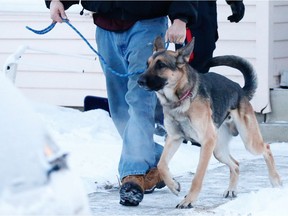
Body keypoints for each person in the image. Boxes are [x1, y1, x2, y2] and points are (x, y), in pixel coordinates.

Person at [45, 0, 198, 207]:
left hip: (146, 24)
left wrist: (180, 17)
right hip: (105, 25)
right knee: (118, 107)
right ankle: (155, 162)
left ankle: (132, 176)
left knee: (139, 100)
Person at [155, 0, 245, 138]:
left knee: (204, 55)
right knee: (190, 63)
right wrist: (181, 16)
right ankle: (172, 123)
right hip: (190, 9)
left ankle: (196, 122)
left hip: (205, 9)